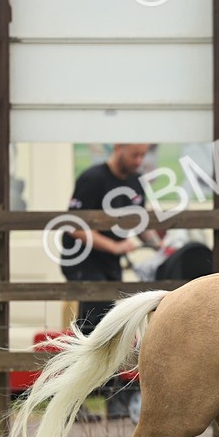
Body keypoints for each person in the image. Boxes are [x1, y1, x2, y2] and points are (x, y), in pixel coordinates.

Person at [61, 143, 158, 421]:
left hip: (108, 263)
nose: (139, 160)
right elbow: (76, 227)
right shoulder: (92, 179)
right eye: (134, 155)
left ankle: (108, 398)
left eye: (143, 155)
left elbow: (139, 224)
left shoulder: (135, 182)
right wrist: (115, 248)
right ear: (118, 148)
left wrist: (157, 245)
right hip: (82, 261)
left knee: (109, 327)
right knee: (95, 327)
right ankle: (75, 401)